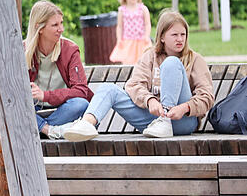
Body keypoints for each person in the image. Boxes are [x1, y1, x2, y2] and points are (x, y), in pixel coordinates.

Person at [64, 10, 214, 141]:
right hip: (151, 122)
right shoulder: (150, 56)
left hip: (182, 121)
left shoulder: (195, 59)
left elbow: (207, 96)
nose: (180, 39)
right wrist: (149, 101)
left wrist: (185, 107)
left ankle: (164, 122)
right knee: (108, 89)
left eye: (183, 34)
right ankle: (86, 124)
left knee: (171, 63)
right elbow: (134, 85)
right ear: (161, 37)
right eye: (174, 35)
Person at [0, 0, 92, 140]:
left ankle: (31, 127)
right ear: (39, 28)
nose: (61, 29)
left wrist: (45, 95)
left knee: (80, 104)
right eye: (55, 25)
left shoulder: (69, 50)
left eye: (61, 23)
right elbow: (5, 90)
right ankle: (47, 129)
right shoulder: (21, 50)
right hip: (27, 109)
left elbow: (81, 90)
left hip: (58, 110)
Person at [109, 0, 152, 65]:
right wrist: (119, 39)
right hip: (128, 41)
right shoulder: (122, 10)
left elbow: (147, 24)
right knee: (128, 62)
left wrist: (146, 36)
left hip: (141, 40)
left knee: (143, 61)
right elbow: (120, 26)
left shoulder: (143, 9)